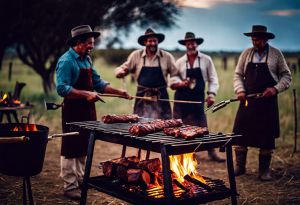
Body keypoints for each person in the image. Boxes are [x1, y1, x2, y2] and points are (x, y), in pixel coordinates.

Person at [56, 25, 131, 200]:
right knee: (70, 148)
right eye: (89, 43)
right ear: (79, 43)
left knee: (84, 145)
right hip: (72, 110)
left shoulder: (86, 59)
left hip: (88, 110)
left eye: (93, 43)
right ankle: (69, 186)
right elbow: (62, 88)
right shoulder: (67, 61)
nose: (92, 46)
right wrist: (86, 94)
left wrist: (119, 92)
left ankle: (81, 179)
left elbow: (98, 83)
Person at [233, 25, 292, 181]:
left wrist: (275, 89)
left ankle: (264, 171)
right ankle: (240, 167)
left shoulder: (276, 54)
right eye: (253, 39)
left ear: (265, 39)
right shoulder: (246, 54)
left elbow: (286, 76)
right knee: (240, 135)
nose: (255, 41)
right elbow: (238, 75)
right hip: (247, 102)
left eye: (257, 39)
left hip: (268, 104)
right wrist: (240, 90)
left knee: (266, 138)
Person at [170, 32, 224, 162]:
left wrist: (211, 94)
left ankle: (211, 152)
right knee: (178, 127)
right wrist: (180, 83)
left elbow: (213, 79)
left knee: (202, 126)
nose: (191, 45)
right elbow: (172, 78)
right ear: (185, 45)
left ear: (197, 44)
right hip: (181, 99)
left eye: (193, 42)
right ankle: (179, 153)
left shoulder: (206, 60)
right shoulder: (180, 62)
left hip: (197, 98)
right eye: (188, 43)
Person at [115, 28, 177, 119]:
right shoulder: (136, 55)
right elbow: (123, 68)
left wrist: (176, 83)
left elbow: (175, 75)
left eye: (154, 41)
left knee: (164, 124)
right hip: (142, 96)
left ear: (158, 41)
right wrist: (120, 71)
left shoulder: (167, 56)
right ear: (145, 42)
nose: (152, 43)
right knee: (140, 124)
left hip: (161, 97)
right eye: (150, 41)